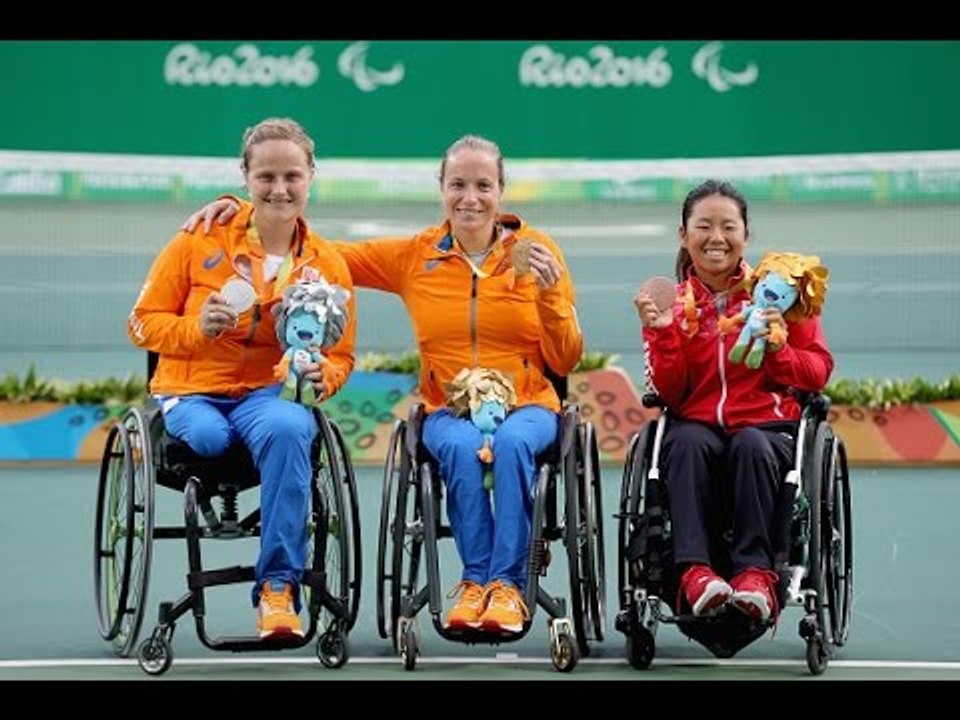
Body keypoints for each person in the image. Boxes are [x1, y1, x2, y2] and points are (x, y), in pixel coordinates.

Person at [183, 134, 583, 634]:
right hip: (448, 408)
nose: (470, 198)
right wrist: (246, 209)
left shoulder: (538, 253)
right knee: (458, 449)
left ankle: (507, 587)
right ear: (441, 189)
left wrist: (548, 298)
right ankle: (474, 582)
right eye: (457, 184)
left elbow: (566, 357)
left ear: (501, 190)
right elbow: (320, 256)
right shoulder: (415, 256)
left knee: (512, 443)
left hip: (527, 406)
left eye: (483, 185)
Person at [129, 117, 356, 639]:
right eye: (266, 177)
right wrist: (195, 329)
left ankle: (278, 590)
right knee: (210, 438)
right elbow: (141, 321)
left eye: (292, 176)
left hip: (265, 395)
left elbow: (341, 356)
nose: (280, 189)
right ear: (247, 179)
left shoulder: (327, 265)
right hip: (192, 390)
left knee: (292, 428)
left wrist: (325, 375)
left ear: (311, 176)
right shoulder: (196, 239)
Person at [632, 179, 833, 623]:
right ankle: (696, 574)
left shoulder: (782, 293)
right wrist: (663, 332)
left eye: (728, 226)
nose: (716, 237)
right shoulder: (670, 304)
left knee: (751, 446)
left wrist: (779, 350)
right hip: (695, 426)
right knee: (684, 445)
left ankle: (756, 576)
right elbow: (668, 393)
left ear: (746, 235)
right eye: (704, 226)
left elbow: (818, 371)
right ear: (684, 235)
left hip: (767, 429)